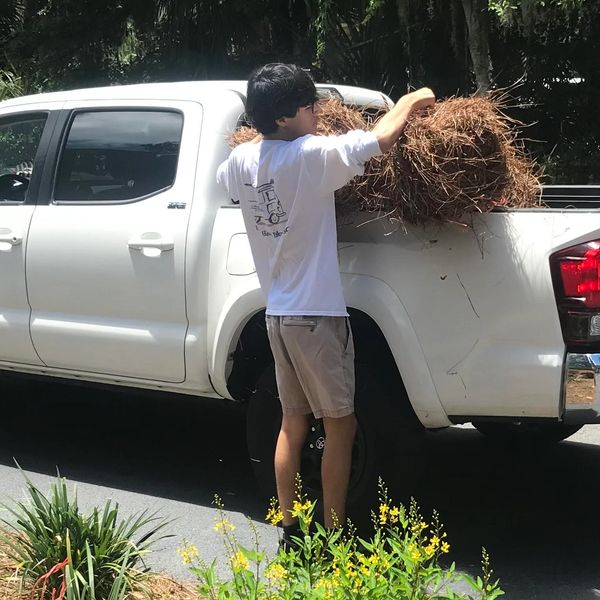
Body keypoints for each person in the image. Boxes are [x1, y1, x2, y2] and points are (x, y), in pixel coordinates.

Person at [217, 63, 434, 543]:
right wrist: (413, 99)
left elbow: (224, 181)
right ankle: (335, 535)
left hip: (277, 315)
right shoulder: (310, 156)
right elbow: (381, 139)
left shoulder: (241, 162)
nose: (318, 112)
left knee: (292, 422)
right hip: (316, 316)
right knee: (341, 424)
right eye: (311, 105)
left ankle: (291, 529)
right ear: (287, 117)